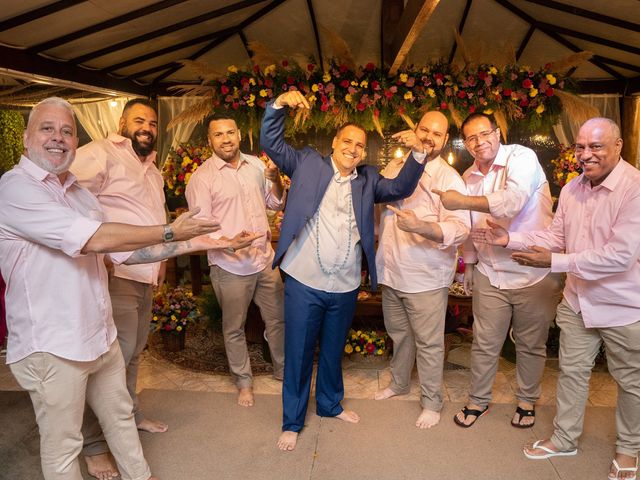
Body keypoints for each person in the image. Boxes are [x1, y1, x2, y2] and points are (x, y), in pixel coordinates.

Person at [0, 97, 258, 480]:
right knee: (63, 445)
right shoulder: (16, 188)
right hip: (54, 341)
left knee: (121, 414)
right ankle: (94, 449)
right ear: (26, 137)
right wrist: (170, 229)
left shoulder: (78, 192)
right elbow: (94, 240)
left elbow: (125, 254)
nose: (59, 138)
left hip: (97, 331)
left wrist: (213, 243)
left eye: (67, 131)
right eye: (48, 129)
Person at [472, 118, 640, 480]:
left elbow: (619, 257)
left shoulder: (635, 188)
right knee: (572, 375)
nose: (585, 154)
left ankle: (629, 450)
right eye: (580, 147)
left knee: (631, 382)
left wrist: (555, 262)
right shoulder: (572, 189)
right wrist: (509, 240)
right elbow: (555, 236)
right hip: (578, 301)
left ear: (618, 145)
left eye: (595, 146)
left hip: (623, 306)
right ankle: (565, 439)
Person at [260, 90, 427, 451]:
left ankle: (330, 405)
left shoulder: (368, 180)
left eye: (360, 144)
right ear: (334, 144)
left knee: (334, 350)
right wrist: (278, 105)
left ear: (364, 152)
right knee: (300, 352)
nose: (353, 148)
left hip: (346, 283)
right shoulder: (306, 163)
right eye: (347, 141)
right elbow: (270, 141)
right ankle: (292, 421)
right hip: (304, 279)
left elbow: (402, 185)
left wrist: (419, 151)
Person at [434, 112, 563, 428]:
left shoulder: (522, 157)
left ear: (497, 132)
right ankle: (478, 401)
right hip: (491, 273)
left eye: (484, 134)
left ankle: (526, 400)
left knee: (530, 344)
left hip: (534, 272)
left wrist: (462, 200)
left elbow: (511, 202)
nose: (479, 142)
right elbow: (469, 227)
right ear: (466, 143)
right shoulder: (468, 177)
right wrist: (468, 268)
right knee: (484, 341)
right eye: (471, 138)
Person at [70, 98, 169, 478]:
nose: (147, 127)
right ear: (122, 121)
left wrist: (159, 267)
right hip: (118, 276)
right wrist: (101, 248)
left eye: (153, 122)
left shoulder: (150, 166)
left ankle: (130, 417)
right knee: (107, 363)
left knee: (132, 355)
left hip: (144, 278)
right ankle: (95, 446)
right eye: (139, 120)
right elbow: (67, 191)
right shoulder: (101, 153)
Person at [373, 111, 470, 429]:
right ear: (415, 130)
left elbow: (460, 228)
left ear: (445, 140)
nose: (429, 137)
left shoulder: (448, 178)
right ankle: (399, 383)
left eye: (437, 134)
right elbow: (381, 210)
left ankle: (432, 402)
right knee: (399, 335)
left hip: (425, 276)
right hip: (391, 271)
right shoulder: (395, 166)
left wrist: (423, 227)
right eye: (424, 130)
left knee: (429, 343)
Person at [186, 113, 285, 407]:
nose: (226, 139)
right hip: (229, 266)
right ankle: (244, 382)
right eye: (219, 134)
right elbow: (198, 230)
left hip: (264, 260)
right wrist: (230, 243)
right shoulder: (202, 178)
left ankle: (283, 372)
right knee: (234, 327)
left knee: (278, 319)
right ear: (209, 140)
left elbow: (275, 202)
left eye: (230, 132)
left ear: (239, 134)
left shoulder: (255, 165)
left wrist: (277, 180)